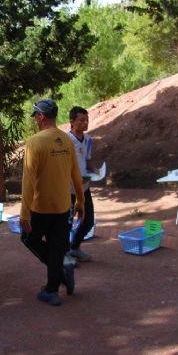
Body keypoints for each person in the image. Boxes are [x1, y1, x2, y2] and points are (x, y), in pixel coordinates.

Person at [20, 98, 85, 306]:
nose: (35, 121)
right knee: (57, 247)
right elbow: (77, 174)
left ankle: (57, 275)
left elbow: (28, 180)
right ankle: (52, 288)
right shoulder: (66, 140)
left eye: (35, 117)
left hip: (42, 206)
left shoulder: (35, 142)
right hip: (63, 205)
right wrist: (80, 202)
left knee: (29, 238)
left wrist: (24, 213)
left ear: (40, 116)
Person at [66, 106, 96, 263]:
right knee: (66, 223)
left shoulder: (88, 139)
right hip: (68, 190)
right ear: (72, 122)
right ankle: (65, 254)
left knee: (88, 220)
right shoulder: (65, 140)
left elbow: (88, 161)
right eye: (81, 120)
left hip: (84, 188)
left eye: (87, 120)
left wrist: (96, 172)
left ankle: (75, 246)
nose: (85, 123)